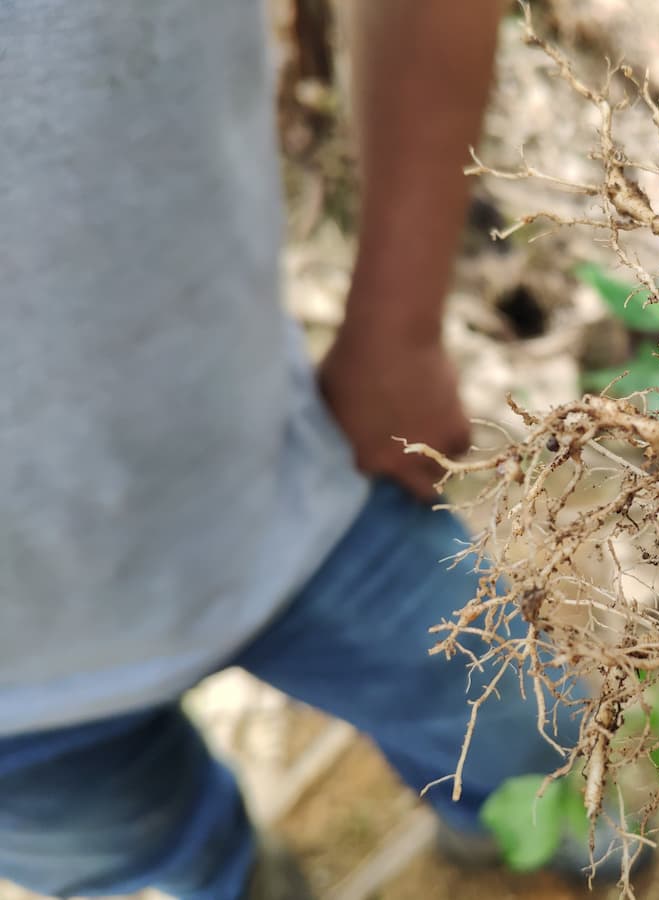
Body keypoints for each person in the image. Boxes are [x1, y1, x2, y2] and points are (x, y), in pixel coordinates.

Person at [0, 3, 598, 898]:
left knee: (523, 728)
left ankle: (541, 837)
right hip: (21, 716)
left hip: (289, 471)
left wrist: (398, 334)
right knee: (176, 872)